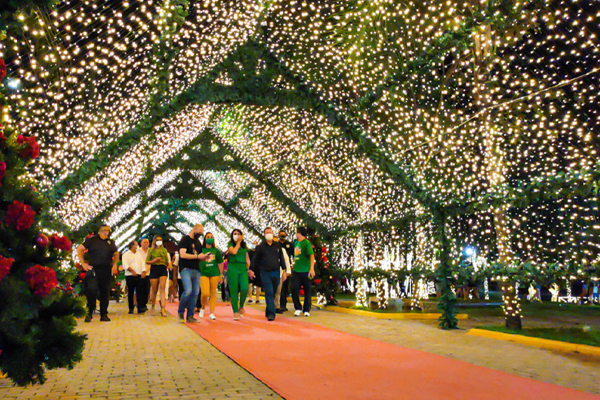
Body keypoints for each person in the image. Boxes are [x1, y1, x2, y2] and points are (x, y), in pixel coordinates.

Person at [77, 225, 119, 322]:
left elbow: (116, 253)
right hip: (94, 270)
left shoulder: (110, 242)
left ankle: (103, 314)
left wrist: (115, 265)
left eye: (109, 231)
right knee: (92, 290)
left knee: (105, 292)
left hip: (106, 270)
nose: (107, 233)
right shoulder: (92, 240)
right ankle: (89, 312)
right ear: (101, 231)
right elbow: (79, 249)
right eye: (106, 231)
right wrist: (83, 263)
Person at [178, 224, 211, 323]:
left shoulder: (198, 242)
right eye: (199, 232)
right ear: (194, 229)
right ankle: (181, 310)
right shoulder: (185, 240)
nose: (200, 234)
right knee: (188, 291)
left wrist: (204, 257)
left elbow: (199, 255)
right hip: (185, 268)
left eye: (201, 233)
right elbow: (182, 254)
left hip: (196, 269)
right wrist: (197, 257)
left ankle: (190, 315)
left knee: (195, 293)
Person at [252, 227, 287, 321]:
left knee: (274, 291)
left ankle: (268, 310)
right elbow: (255, 259)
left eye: (270, 232)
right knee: (269, 291)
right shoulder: (260, 247)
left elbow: (281, 258)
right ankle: (272, 313)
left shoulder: (277, 245)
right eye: (267, 232)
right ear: (264, 234)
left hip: (276, 271)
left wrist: (284, 271)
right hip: (265, 272)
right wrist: (251, 270)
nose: (269, 234)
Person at [227, 229, 254, 320]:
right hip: (232, 267)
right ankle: (235, 311)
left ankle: (241, 306)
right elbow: (233, 252)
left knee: (244, 288)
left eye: (238, 234)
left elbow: (247, 258)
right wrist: (238, 243)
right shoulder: (230, 244)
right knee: (234, 290)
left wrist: (249, 269)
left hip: (243, 268)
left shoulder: (244, 246)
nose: (237, 235)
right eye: (235, 234)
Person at [199, 232, 224, 320]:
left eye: (211, 237)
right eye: (208, 237)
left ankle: (212, 312)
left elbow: (220, 262)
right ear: (205, 238)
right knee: (205, 293)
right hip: (203, 273)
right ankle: (202, 307)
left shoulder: (216, 250)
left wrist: (221, 274)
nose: (210, 238)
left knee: (213, 293)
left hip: (214, 273)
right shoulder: (201, 249)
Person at [291, 226, 315, 317]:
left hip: (305, 270)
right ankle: (297, 307)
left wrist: (311, 269)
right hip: (296, 270)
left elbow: (311, 256)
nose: (295, 234)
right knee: (294, 288)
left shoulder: (306, 243)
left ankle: (306, 309)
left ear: (299, 233)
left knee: (307, 290)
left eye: (296, 232)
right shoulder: (296, 243)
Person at [147, 236, 173, 317]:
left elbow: (167, 261)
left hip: (162, 269)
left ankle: (163, 308)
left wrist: (169, 265)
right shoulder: (151, 250)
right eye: (157, 240)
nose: (159, 241)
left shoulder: (164, 250)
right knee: (154, 290)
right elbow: (147, 261)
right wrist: (154, 261)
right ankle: (153, 306)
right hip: (154, 268)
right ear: (154, 241)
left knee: (162, 288)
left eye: (160, 240)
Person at [122, 241, 146, 314]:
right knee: (131, 292)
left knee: (140, 292)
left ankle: (140, 307)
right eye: (136, 245)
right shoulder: (126, 254)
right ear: (132, 246)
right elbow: (125, 265)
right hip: (130, 276)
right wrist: (132, 271)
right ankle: (131, 308)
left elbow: (142, 263)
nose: (137, 246)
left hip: (138, 275)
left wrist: (143, 271)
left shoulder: (138, 254)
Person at [276, 230, 294, 313]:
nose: (282, 237)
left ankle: (283, 305)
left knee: (285, 287)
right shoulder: (276, 244)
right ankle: (277, 304)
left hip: (287, 267)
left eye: (284, 235)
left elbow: (293, 255)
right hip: (277, 267)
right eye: (281, 235)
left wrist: (290, 268)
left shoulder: (289, 245)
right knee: (279, 287)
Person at [136, 238, 151, 313]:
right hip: (139, 273)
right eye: (144, 242)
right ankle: (140, 306)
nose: (146, 243)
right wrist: (142, 271)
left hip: (148, 273)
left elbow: (150, 262)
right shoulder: (137, 252)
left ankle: (144, 304)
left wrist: (146, 271)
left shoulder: (150, 251)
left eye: (147, 242)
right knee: (139, 290)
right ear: (141, 243)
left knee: (146, 290)